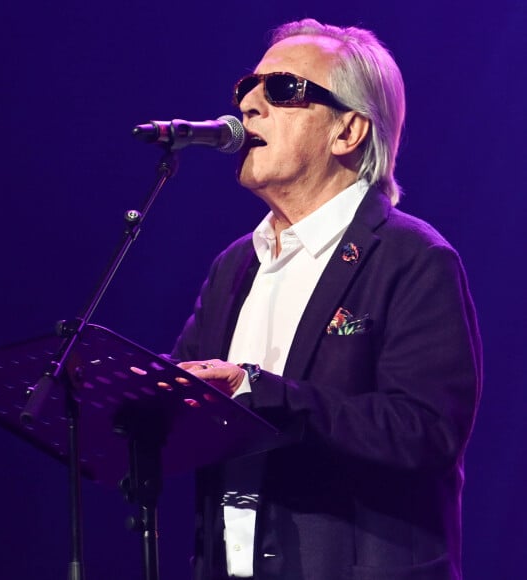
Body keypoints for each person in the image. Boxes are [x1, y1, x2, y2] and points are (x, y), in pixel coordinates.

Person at [171, 18, 482, 580]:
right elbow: (185, 405)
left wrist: (255, 391)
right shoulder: (236, 264)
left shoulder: (413, 258)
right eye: (247, 88)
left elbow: (426, 431)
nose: (250, 106)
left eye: (282, 90)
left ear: (348, 132)